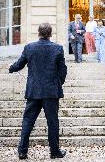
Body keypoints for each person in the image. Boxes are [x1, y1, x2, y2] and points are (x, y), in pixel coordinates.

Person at [9, 22, 67, 160]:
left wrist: (11, 68)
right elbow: (63, 70)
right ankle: (54, 152)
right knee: (52, 122)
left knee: (28, 121)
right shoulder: (58, 48)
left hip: (34, 91)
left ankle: (22, 151)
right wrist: (58, 83)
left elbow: (19, 64)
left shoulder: (29, 47)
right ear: (50, 34)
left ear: (38, 33)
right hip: (51, 92)